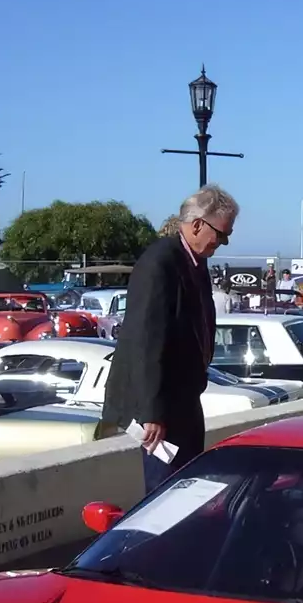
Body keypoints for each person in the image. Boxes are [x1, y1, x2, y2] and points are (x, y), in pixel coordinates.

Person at [100, 185, 238, 493]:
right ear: (198, 224)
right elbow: (145, 341)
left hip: (185, 400)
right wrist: (152, 413)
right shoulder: (159, 263)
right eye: (221, 234)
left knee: (187, 487)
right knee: (164, 494)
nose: (223, 242)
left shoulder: (196, 263)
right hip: (160, 411)